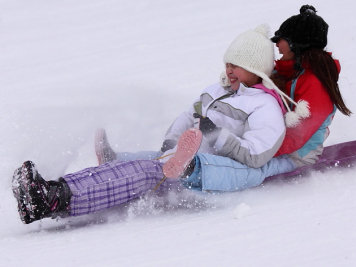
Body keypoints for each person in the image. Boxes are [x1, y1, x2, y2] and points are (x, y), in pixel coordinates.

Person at [12, 24, 299, 224]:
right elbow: (190, 115)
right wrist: (171, 142)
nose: (229, 70)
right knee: (142, 164)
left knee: (148, 173)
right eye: (228, 62)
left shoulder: (265, 106)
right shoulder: (216, 90)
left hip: (218, 168)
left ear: (257, 70)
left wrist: (216, 134)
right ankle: (53, 189)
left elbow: (256, 156)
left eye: (237, 65)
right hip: (189, 156)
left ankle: (54, 201)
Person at [98, 5, 351, 193]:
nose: (277, 44)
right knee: (175, 153)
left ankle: (191, 171)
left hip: (290, 155)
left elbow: (295, 136)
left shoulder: (316, 84)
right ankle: (118, 160)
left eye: (281, 39)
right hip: (259, 139)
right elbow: (254, 74)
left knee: (251, 171)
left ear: (297, 44)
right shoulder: (286, 70)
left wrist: (246, 148)